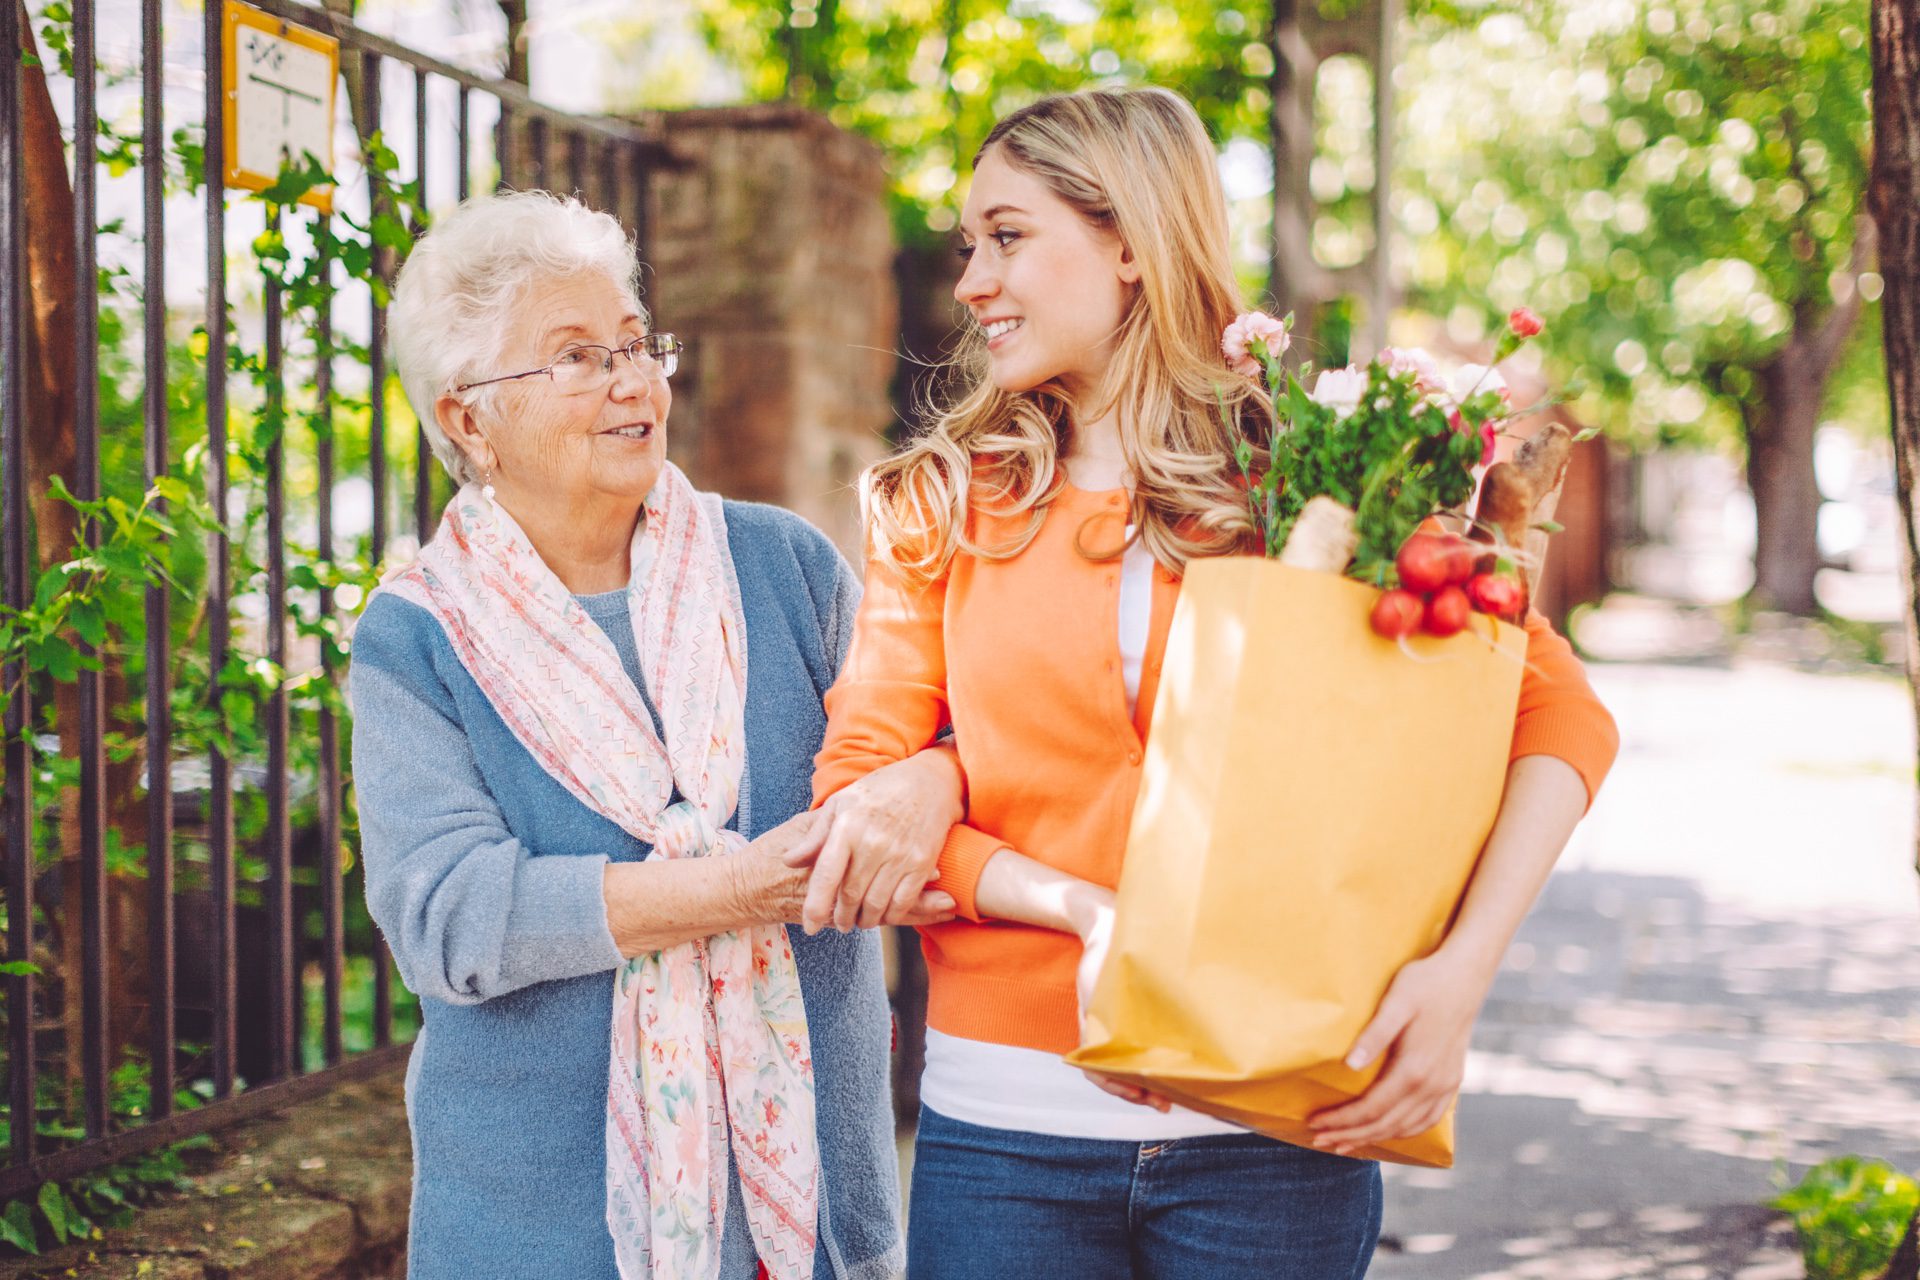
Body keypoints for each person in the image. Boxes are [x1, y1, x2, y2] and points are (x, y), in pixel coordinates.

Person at [804, 87, 1621, 1279]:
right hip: (1009, 1129)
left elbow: (1553, 711)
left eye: (1009, 235)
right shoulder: (942, 502)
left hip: (1278, 1116)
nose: (973, 278)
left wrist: (1458, 975)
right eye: (969, 242)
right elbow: (854, 804)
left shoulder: (1328, 479)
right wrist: (1066, 897)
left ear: (1131, 241)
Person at [350, 189, 963, 1280]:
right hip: (541, 1227)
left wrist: (929, 780)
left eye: (637, 345)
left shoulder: (781, 565)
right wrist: (739, 887)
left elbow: (938, 745)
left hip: (807, 1208)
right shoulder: (418, 636)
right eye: (579, 357)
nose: (636, 382)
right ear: (466, 417)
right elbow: (452, 916)